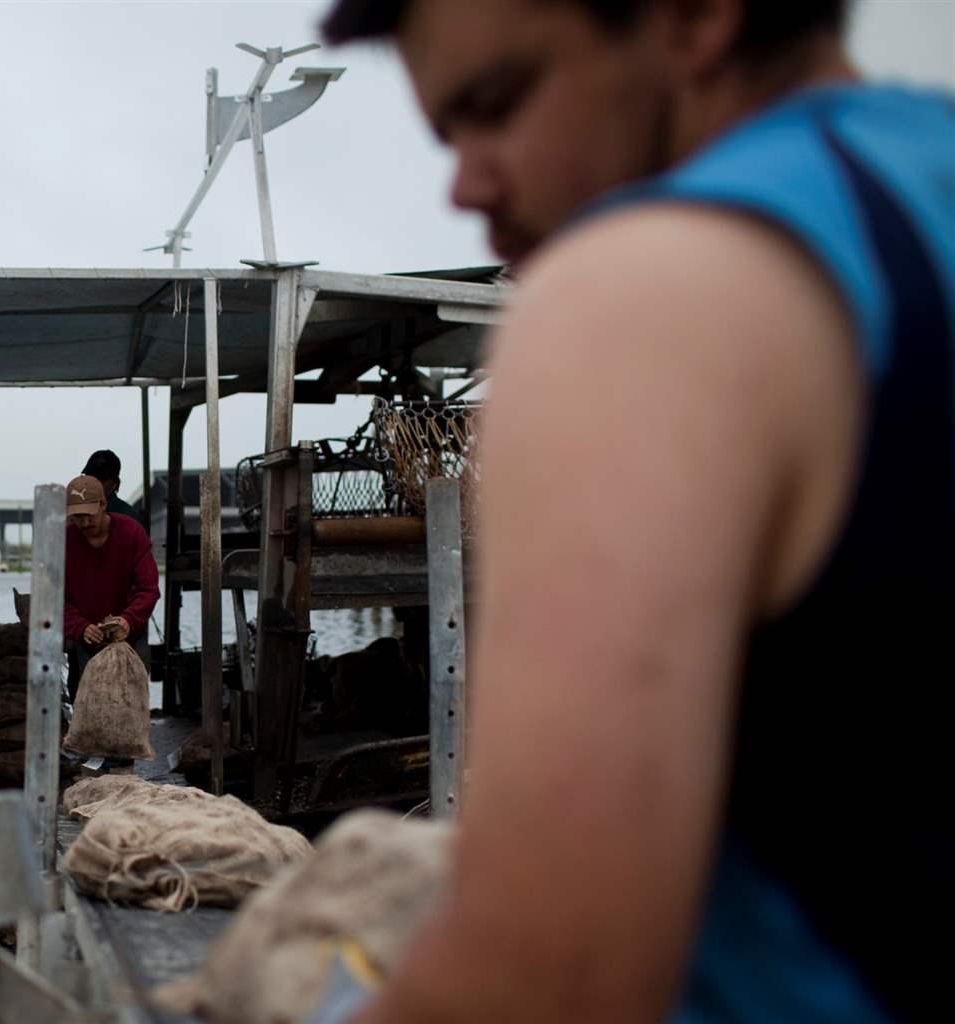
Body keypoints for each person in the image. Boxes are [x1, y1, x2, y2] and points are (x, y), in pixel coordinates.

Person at [317, 1, 948, 1022]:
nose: (464, 183)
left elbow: (541, 980)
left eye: (497, 103)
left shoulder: (651, 291)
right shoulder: (914, 192)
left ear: (695, 18)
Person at [62, 473, 159, 696]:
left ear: (103, 504)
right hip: (86, 635)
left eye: (89, 515)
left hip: (131, 632)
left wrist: (128, 620)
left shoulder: (132, 533)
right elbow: (56, 599)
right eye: (77, 517)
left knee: (133, 696)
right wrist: (80, 627)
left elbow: (148, 589)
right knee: (86, 697)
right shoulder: (65, 542)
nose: (84, 523)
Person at [81, 449, 148, 529]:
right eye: (90, 477)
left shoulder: (129, 519)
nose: (94, 483)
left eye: (101, 479)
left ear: (114, 483)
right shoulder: (76, 514)